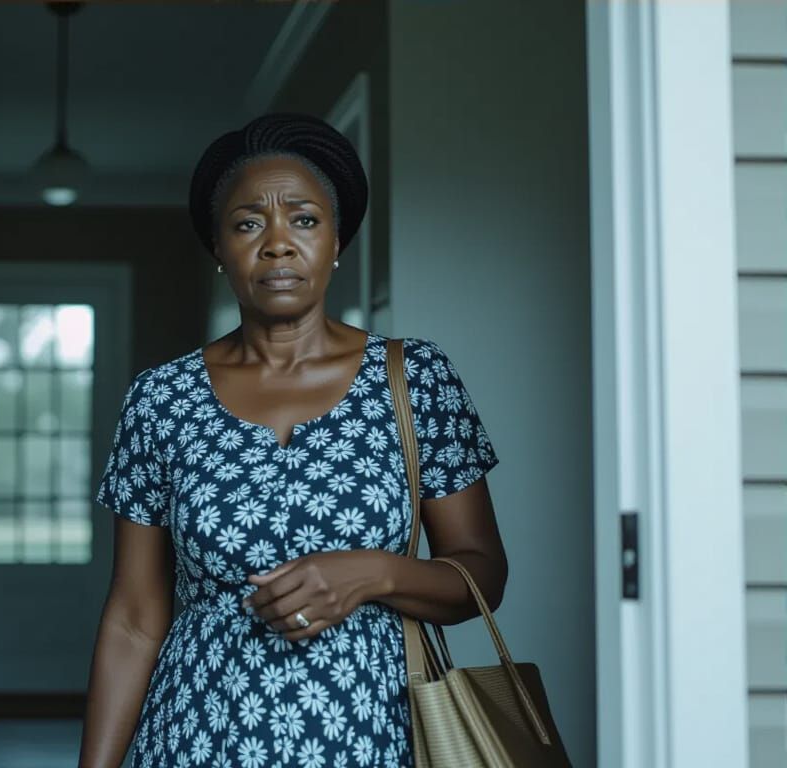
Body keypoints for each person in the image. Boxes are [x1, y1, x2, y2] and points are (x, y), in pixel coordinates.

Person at [77, 113, 510, 768]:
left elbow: (483, 574)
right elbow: (134, 618)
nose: (278, 244)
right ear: (219, 249)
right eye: (249, 223)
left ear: (337, 239)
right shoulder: (160, 401)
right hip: (194, 739)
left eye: (304, 220)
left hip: (371, 739)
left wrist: (374, 573)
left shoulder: (415, 379)